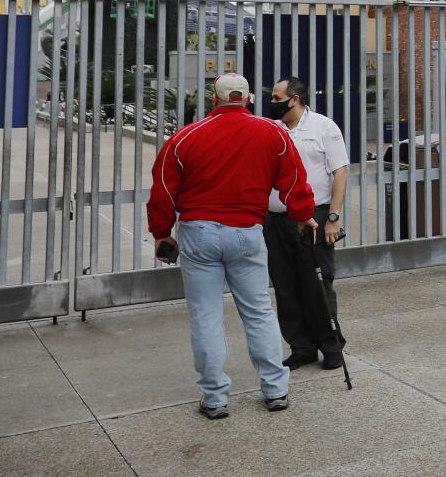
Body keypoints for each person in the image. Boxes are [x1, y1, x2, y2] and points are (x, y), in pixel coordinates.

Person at [149, 73, 315, 419]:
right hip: (248, 232)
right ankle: (275, 388)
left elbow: (163, 189)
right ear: (248, 99)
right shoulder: (273, 133)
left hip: (198, 234)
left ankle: (214, 398)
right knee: (258, 312)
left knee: (206, 315)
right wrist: (303, 215)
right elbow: (294, 179)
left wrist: (162, 233)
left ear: (215, 98)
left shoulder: (185, 138)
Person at [263, 77, 349, 372]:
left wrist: (333, 218)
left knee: (317, 284)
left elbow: (340, 172)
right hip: (275, 219)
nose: (272, 102)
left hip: (316, 216)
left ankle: (330, 344)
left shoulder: (324, 127)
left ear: (295, 98)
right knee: (285, 285)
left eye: (277, 97)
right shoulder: (271, 129)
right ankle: (301, 347)